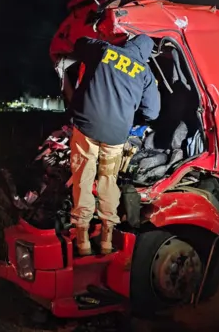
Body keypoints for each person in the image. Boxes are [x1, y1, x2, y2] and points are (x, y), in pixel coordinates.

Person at [68, 34, 160, 255]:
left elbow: (79, 43)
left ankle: (83, 242)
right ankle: (107, 239)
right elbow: (152, 112)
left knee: (83, 178)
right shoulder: (145, 72)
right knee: (108, 181)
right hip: (115, 136)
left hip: (86, 129)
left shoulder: (104, 50)